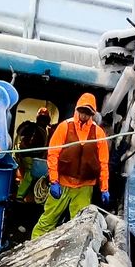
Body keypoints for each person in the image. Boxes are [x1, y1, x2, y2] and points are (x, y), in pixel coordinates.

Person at [31, 94, 109, 239]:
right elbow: (53, 155)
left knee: (79, 226)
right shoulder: (64, 127)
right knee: (47, 220)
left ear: (93, 113)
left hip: (84, 187)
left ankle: (71, 256)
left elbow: (103, 163)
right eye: (82, 111)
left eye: (88, 112)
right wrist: (54, 181)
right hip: (62, 182)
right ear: (77, 109)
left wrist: (104, 188)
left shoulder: (99, 133)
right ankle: (31, 248)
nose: (84, 115)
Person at [14, 107, 51, 200]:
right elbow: (19, 131)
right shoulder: (32, 127)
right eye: (41, 118)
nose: (43, 120)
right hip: (26, 155)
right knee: (30, 174)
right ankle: (19, 196)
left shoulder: (48, 131)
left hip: (37, 158)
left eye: (45, 119)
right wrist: (27, 125)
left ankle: (32, 196)